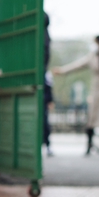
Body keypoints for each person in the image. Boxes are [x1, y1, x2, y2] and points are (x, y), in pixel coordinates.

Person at [53, 35, 99, 156]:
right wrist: (62, 71)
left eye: (97, 43)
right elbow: (77, 65)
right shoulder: (93, 56)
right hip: (98, 90)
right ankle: (88, 147)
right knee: (92, 119)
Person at [43, 13, 54, 156]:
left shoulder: (43, 37)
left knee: (43, 120)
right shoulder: (46, 37)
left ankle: (47, 144)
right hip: (42, 80)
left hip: (41, 84)